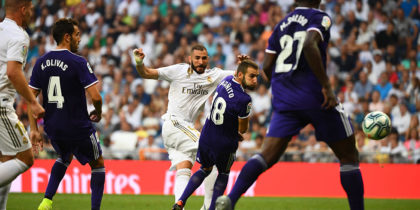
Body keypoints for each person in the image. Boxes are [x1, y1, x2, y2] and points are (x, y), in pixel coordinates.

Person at [216, 0, 365, 209]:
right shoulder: (318, 17)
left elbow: (266, 66)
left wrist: (284, 84)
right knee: (349, 155)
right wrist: (326, 86)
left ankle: (230, 199)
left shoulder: (281, 25)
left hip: (285, 99)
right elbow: (308, 43)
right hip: (315, 95)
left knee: (266, 155)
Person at [133, 44, 248, 209]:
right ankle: (209, 207)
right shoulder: (178, 71)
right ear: (190, 59)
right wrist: (139, 63)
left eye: (204, 58)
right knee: (213, 153)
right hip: (174, 124)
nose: (201, 62)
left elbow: (239, 78)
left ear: (208, 59)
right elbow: (146, 73)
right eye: (197, 58)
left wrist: (242, 65)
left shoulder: (213, 75)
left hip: (182, 131)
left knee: (184, 169)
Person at [28, 18, 104, 210]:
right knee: (98, 164)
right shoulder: (78, 61)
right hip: (78, 126)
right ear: (67, 36)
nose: (80, 39)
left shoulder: (40, 62)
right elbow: (96, 97)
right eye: (77, 35)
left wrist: (34, 129)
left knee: (64, 157)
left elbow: (30, 99)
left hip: (53, 127)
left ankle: (46, 201)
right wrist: (99, 111)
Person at [172, 60, 259, 210]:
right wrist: (236, 131)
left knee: (204, 169)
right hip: (224, 143)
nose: (255, 80)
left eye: (256, 76)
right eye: (252, 76)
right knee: (223, 173)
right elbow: (243, 129)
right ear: (240, 75)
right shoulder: (245, 99)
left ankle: (181, 201)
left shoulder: (225, 81)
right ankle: (212, 208)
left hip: (207, 137)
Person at [0, 0, 45, 209]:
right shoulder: (19, 36)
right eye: (31, 10)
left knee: (7, 159)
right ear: (23, 9)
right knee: (25, 158)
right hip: (1, 105)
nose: (32, 15)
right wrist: (33, 102)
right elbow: (13, 72)